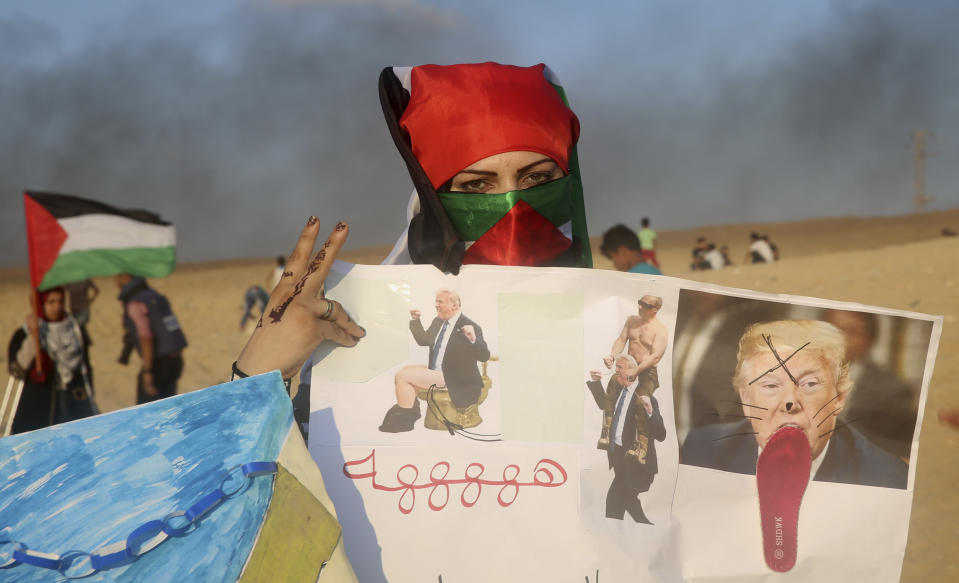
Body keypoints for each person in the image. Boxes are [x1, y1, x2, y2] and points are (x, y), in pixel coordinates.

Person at [680, 319, 908, 489]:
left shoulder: (886, 478)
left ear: (839, 397)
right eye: (770, 385)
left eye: (809, 384)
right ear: (747, 401)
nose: (790, 402)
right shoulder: (702, 450)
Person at [383, 289, 490, 432]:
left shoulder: (471, 326)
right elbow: (425, 340)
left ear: (455, 305)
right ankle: (411, 411)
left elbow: (484, 356)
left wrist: (472, 338)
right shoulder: (439, 320)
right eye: (436, 302)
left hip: (456, 377)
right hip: (439, 370)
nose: (436, 305)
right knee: (403, 371)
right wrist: (415, 320)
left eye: (440, 302)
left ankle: (404, 419)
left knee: (404, 376)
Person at [823, 309, 917, 459]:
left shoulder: (892, 389)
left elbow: (904, 449)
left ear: (870, 340)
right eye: (832, 329)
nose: (839, 338)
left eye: (851, 332)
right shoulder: (796, 374)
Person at [586, 354, 666, 523]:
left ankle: (631, 529)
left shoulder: (647, 399)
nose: (616, 371)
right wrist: (595, 382)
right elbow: (604, 404)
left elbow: (661, 435)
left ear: (631, 370)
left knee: (614, 502)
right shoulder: (617, 391)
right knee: (628, 500)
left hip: (637, 463)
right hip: (619, 458)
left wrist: (650, 411)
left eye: (619, 368)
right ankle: (645, 525)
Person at [6, 287, 97, 433]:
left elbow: (85, 369)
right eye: (51, 302)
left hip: (71, 408)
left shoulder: (75, 332)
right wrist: (33, 337)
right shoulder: (22, 334)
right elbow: (17, 368)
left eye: (60, 301)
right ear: (40, 304)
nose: (57, 306)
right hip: (35, 412)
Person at [117, 274, 187, 404]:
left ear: (125, 277)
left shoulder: (135, 303)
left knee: (146, 411)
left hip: (158, 364)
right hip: (175, 359)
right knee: (168, 408)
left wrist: (147, 371)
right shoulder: (153, 295)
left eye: (118, 276)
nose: (115, 281)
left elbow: (145, 338)